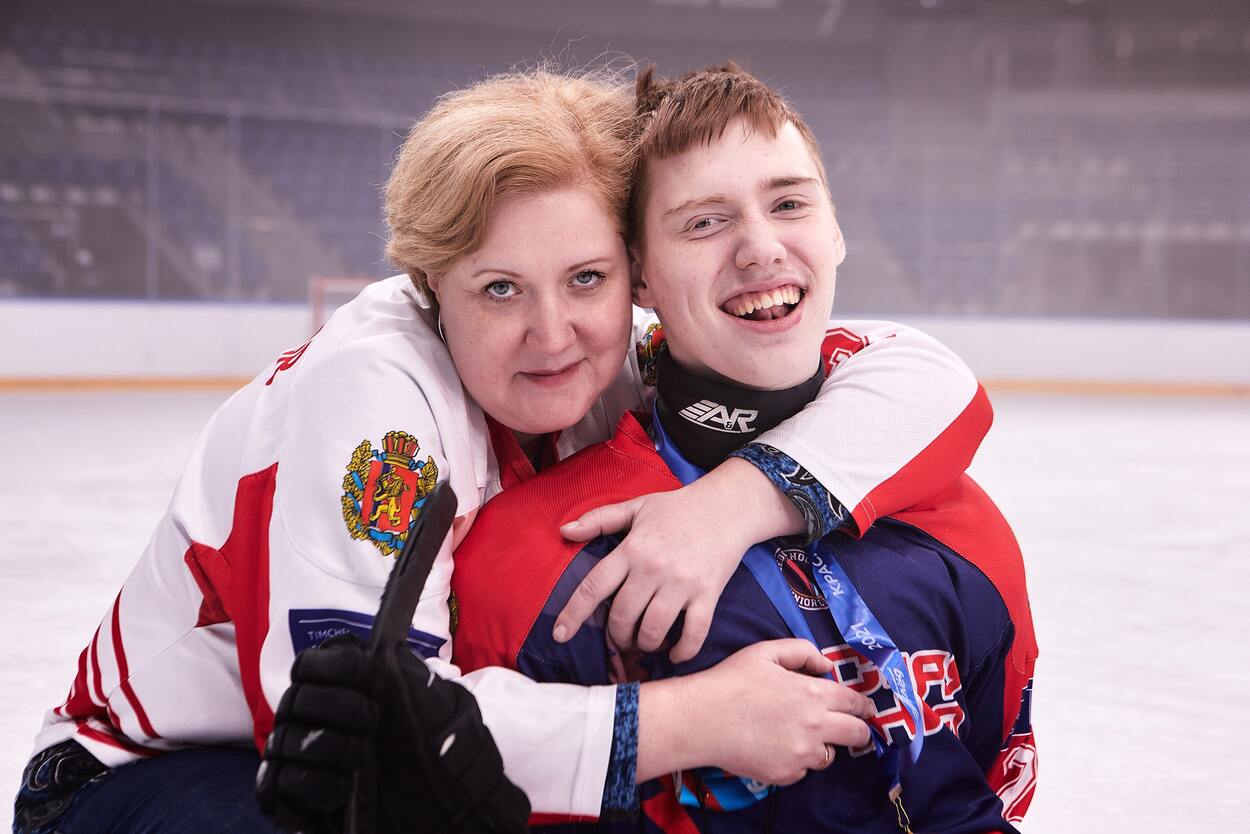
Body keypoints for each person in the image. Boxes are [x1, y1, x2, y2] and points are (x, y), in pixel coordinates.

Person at [15, 69, 989, 833]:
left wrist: (730, 504)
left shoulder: (622, 353)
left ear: (635, 274)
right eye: (499, 290)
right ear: (429, 285)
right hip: (161, 778)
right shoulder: (377, 405)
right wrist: (698, 720)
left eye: (585, 278)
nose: (553, 334)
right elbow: (361, 736)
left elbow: (922, 373)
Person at [449, 63, 1039, 832]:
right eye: (704, 222)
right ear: (638, 277)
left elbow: (986, 788)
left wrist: (735, 503)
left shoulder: (959, 525)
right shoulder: (535, 562)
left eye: (789, 203)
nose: (761, 249)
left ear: (835, 231)